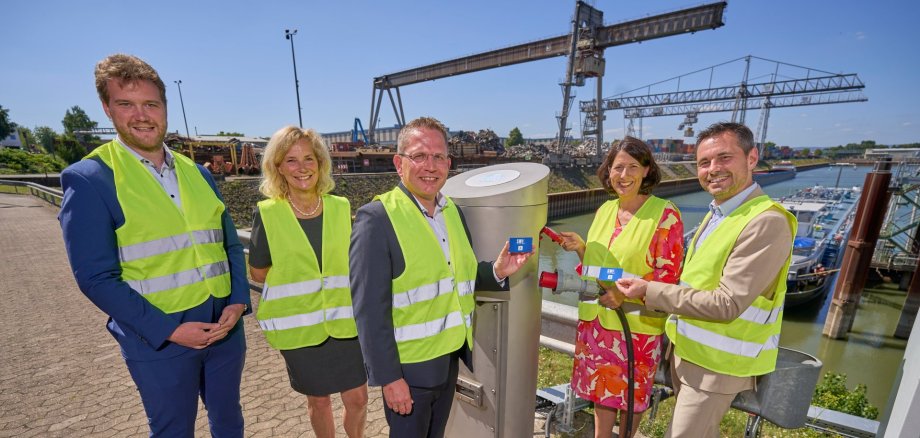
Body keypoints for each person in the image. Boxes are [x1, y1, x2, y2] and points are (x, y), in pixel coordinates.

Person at [58, 54, 249, 437]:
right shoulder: (91, 179)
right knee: (173, 430)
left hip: (224, 328)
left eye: (151, 104)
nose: (142, 115)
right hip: (159, 340)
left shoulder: (198, 173)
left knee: (229, 420)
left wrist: (238, 300)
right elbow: (96, 278)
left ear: (165, 108)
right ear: (107, 109)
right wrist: (170, 331)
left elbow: (228, 242)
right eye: (127, 104)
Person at [349, 116, 532, 438]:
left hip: (448, 361)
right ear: (398, 163)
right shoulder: (376, 219)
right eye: (419, 156)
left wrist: (497, 271)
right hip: (408, 371)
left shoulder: (451, 212)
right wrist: (389, 379)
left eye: (438, 157)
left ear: (449, 163)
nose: (430, 166)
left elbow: (455, 278)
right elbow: (368, 311)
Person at [615, 122, 796, 437]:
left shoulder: (766, 222)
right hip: (688, 353)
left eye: (724, 158)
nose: (713, 169)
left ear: (752, 158)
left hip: (718, 366)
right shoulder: (719, 214)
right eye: (704, 162)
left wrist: (649, 291)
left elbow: (727, 303)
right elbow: (696, 283)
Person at [557, 137, 684, 438]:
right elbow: (599, 268)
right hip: (598, 323)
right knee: (603, 394)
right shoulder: (605, 211)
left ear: (646, 170)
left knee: (631, 396)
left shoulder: (665, 214)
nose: (623, 176)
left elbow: (669, 280)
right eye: (617, 168)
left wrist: (625, 295)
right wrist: (581, 248)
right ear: (608, 171)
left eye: (632, 167)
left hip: (636, 329)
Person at [248, 126, 367, 438]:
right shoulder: (268, 213)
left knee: (358, 398)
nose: (302, 168)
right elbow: (258, 273)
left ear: (320, 163)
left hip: (345, 323)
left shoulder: (341, 208)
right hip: (301, 328)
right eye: (290, 160)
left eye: (308, 158)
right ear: (278, 167)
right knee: (319, 400)